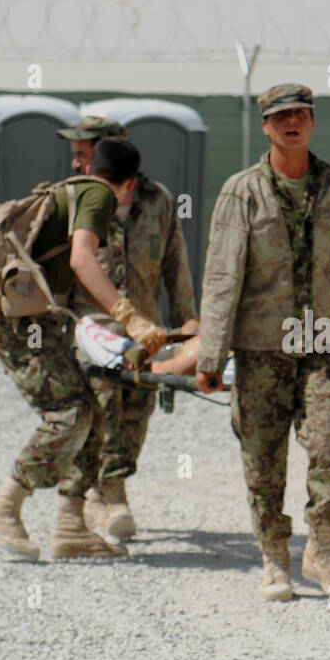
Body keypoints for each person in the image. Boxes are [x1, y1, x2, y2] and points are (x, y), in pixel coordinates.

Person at [196, 83, 330, 602]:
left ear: (312, 122)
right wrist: (212, 354)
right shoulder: (242, 191)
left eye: (300, 114)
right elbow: (222, 277)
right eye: (281, 116)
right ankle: (274, 555)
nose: (291, 122)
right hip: (260, 346)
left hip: (323, 340)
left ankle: (320, 548)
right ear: (266, 126)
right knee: (263, 455)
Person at [0, 137, 166, 561]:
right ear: (129, 183)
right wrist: (128, 314)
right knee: (72, 412)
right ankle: (4, 506)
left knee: (91, 412)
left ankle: (70, 525)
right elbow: (83, 260)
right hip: (18, 322)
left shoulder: (72, 189)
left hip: (31, 319)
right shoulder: (98, 194)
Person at [56, 117, 200, 542]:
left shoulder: (157, 200)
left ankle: (110, 487)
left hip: (146, 330)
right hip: (92, 327)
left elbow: (176, 261)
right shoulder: (74, 198)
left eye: (84, 152)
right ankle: (103, 497)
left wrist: (188, 320)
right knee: (101, 406)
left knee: (138, 407)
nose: (76, 162)